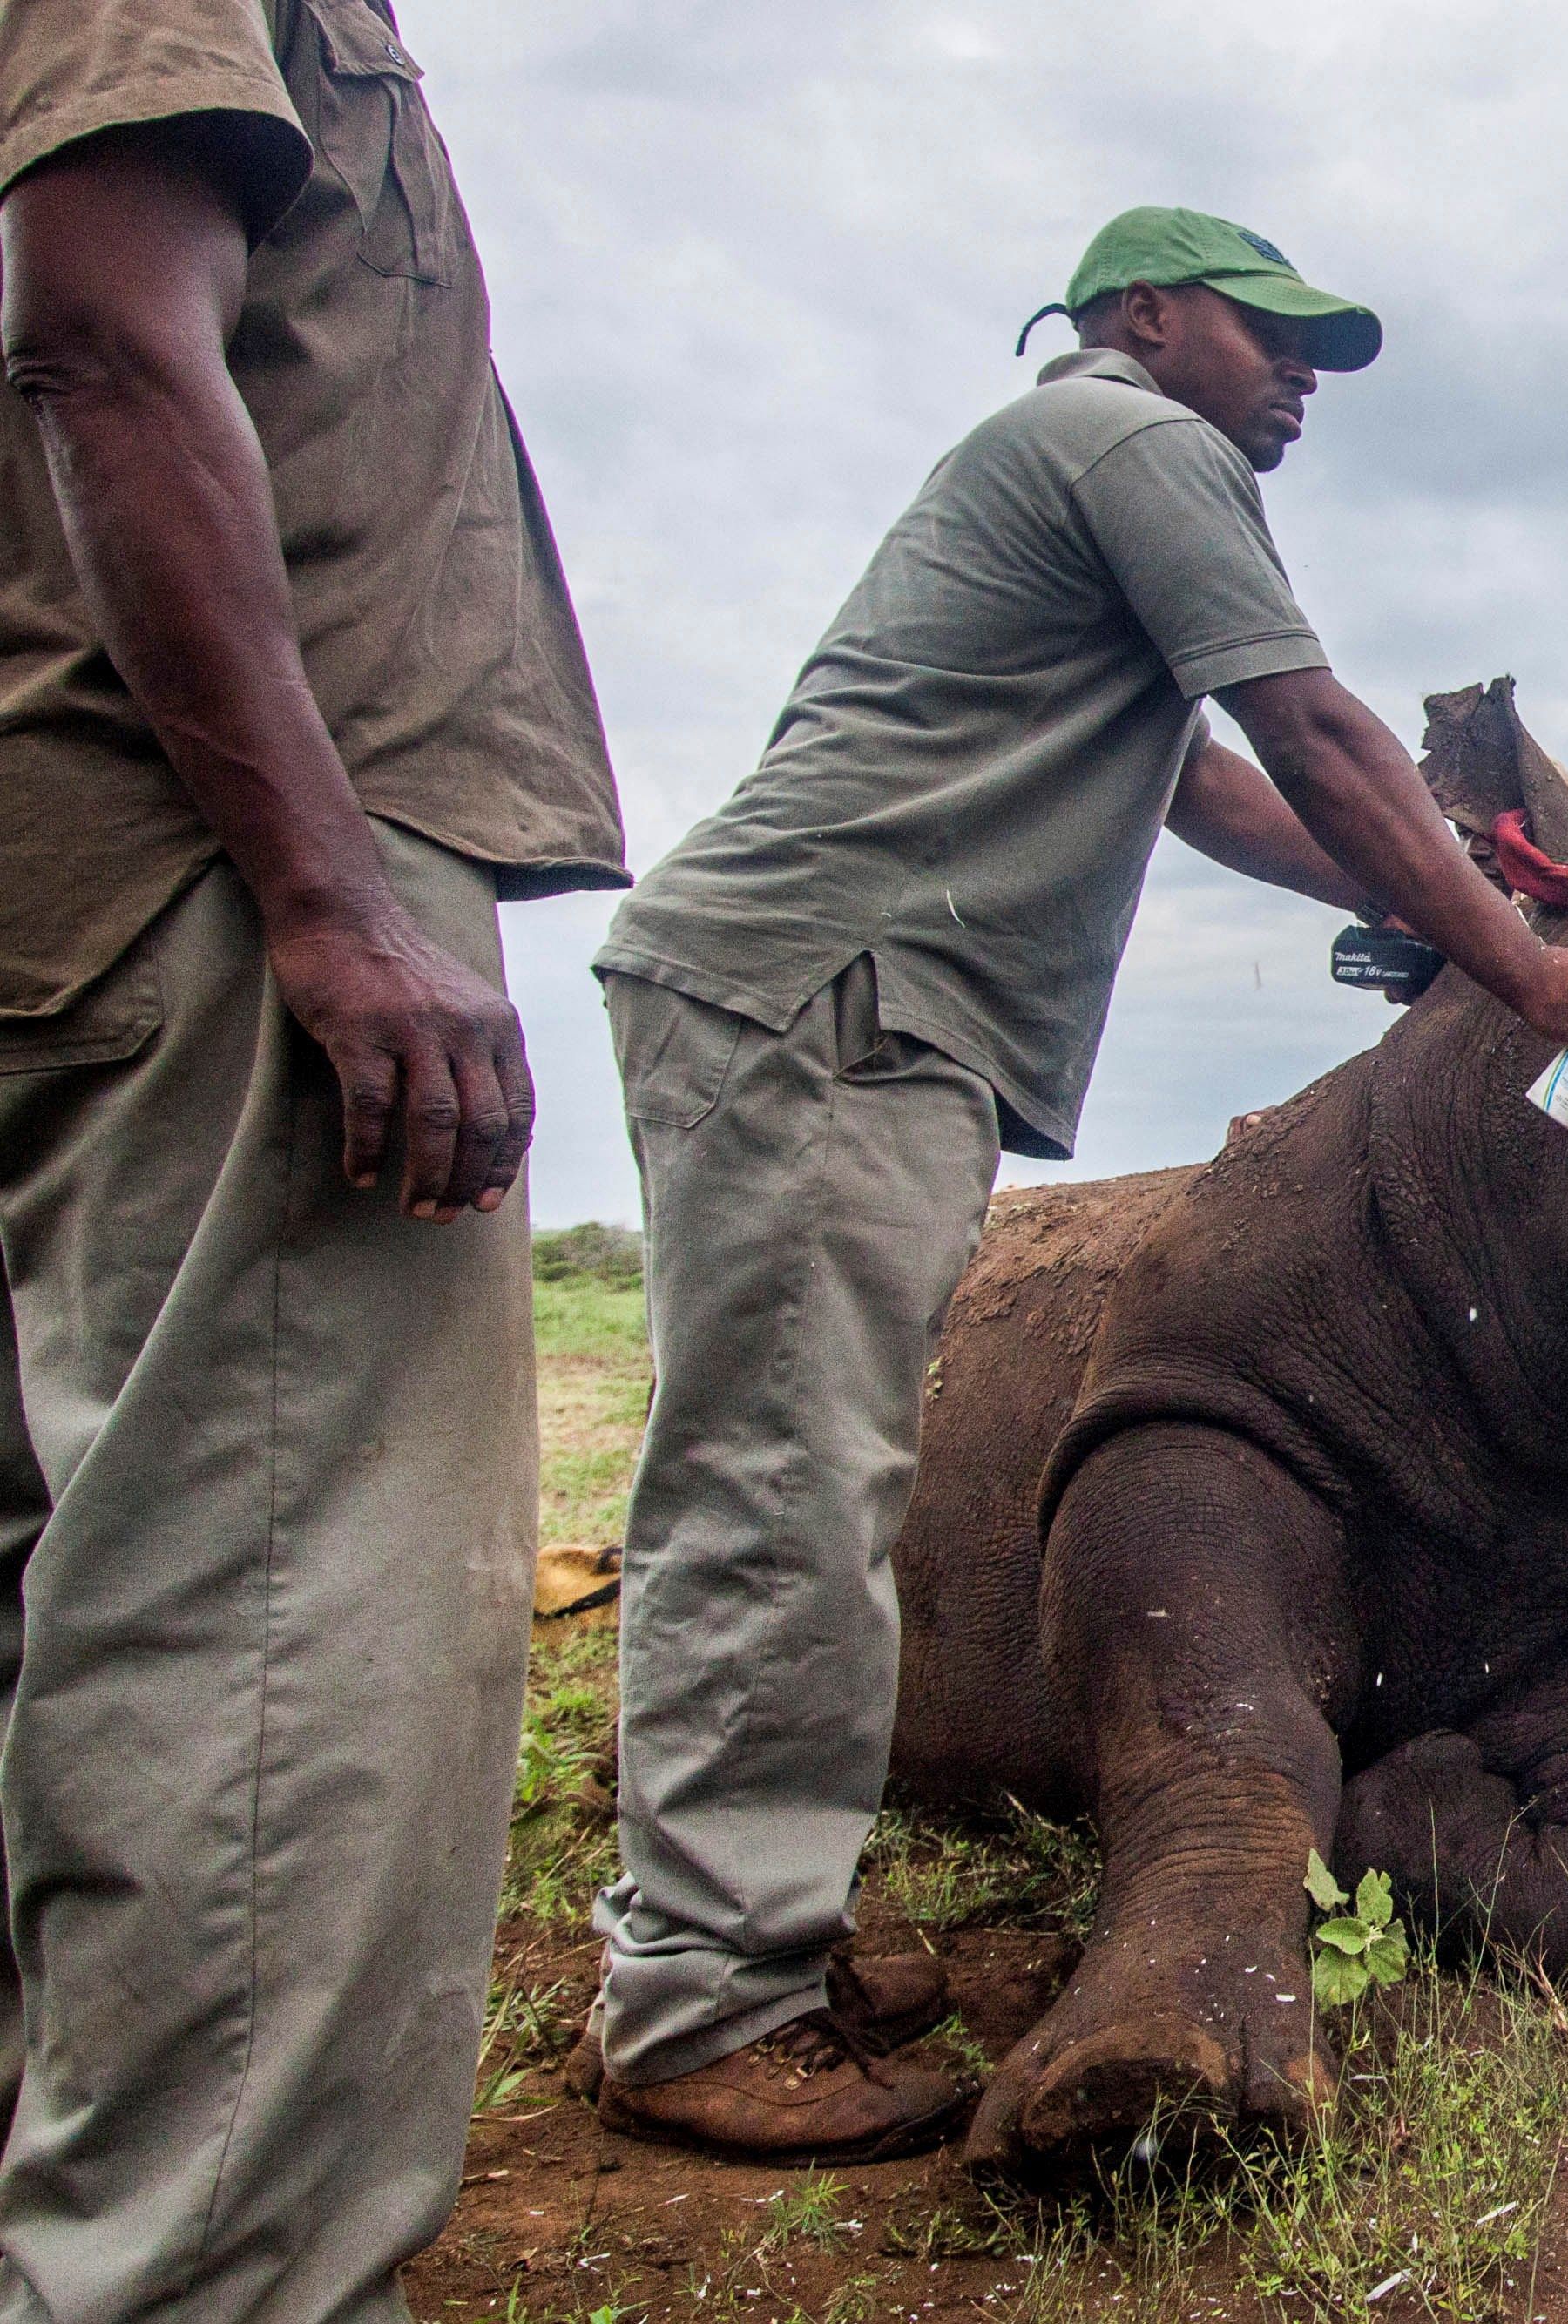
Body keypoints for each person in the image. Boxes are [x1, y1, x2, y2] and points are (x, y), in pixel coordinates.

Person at [577, 213, 1568, 2162]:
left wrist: (1482, 892)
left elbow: (1214, 792)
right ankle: (697, 1996)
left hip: (846, 1001)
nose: (1301, 383)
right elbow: (1316, 730)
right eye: (1270, 338)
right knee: (778, 1482)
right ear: (1144, 318)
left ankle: (757, 1929)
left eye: (1323, 357)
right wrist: (1526, 965)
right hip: (827, 993)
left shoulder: (1072, 492)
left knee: (812, 1472)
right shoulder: (1132, 443)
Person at [0, 2, 626, 2311]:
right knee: (286, 1636)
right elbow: (99, 333)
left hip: (91, 859)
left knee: (81, 1597)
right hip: (216, 847)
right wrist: (333, 890)